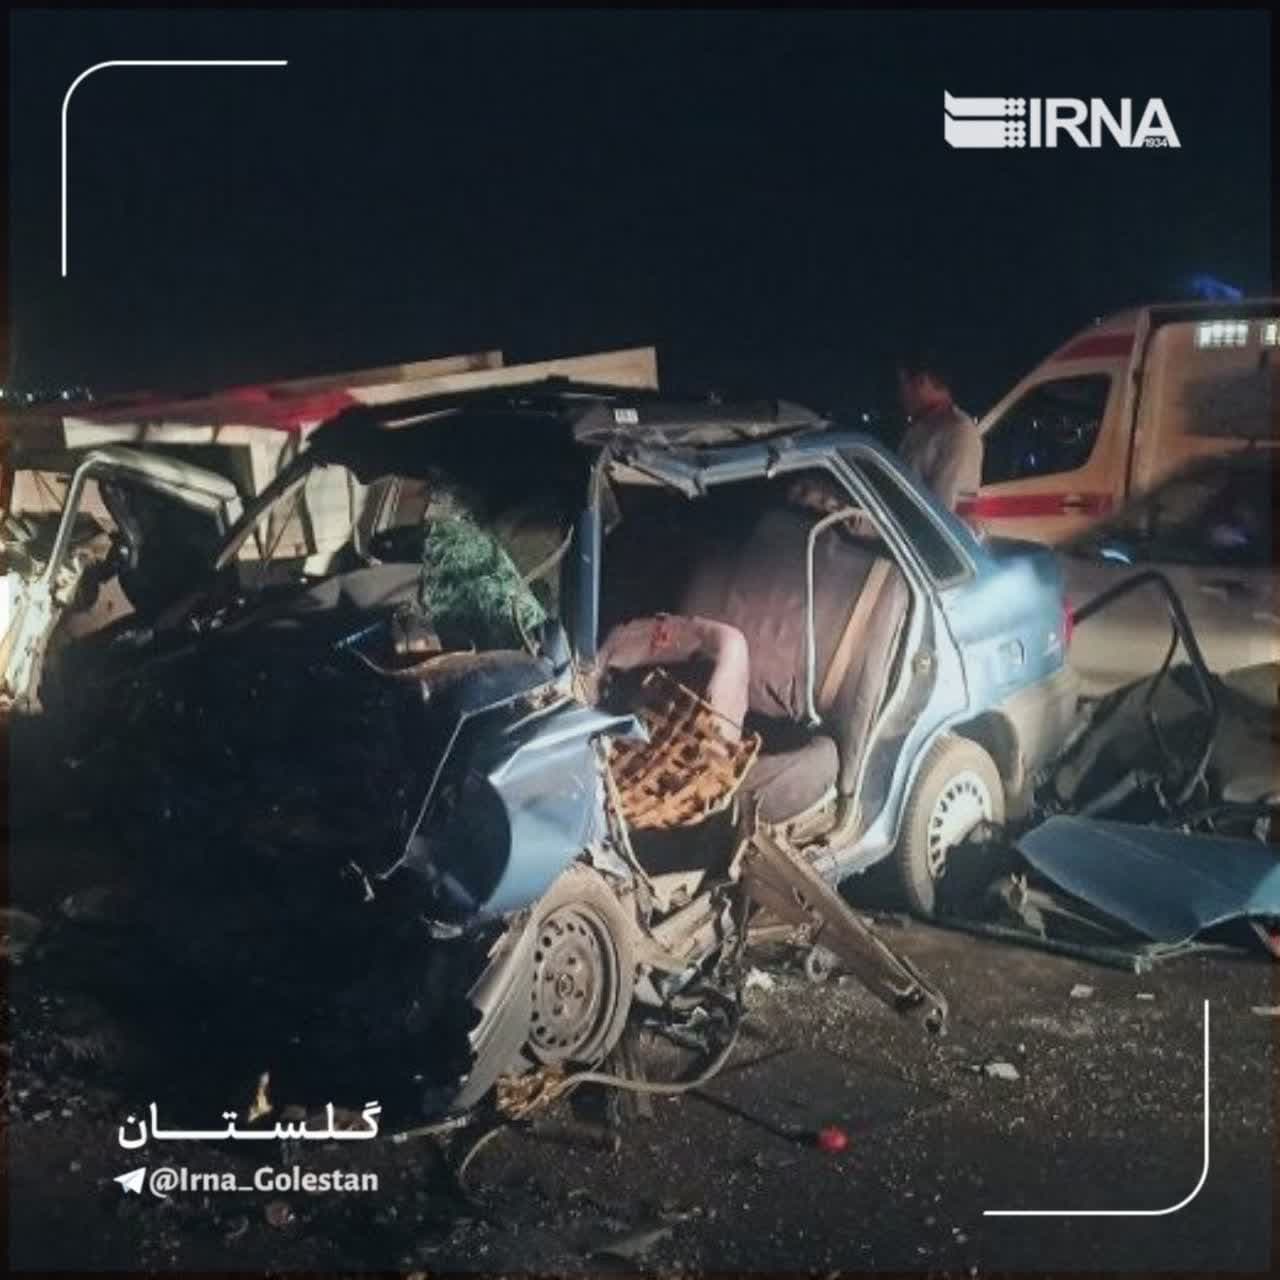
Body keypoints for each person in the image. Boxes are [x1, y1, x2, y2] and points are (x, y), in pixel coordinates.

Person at [896, 347, 984, 516]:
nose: (900, 394)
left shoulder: (958, 432)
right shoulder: (921, 429)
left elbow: (942, 514)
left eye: (903, 384)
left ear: (921, 382)